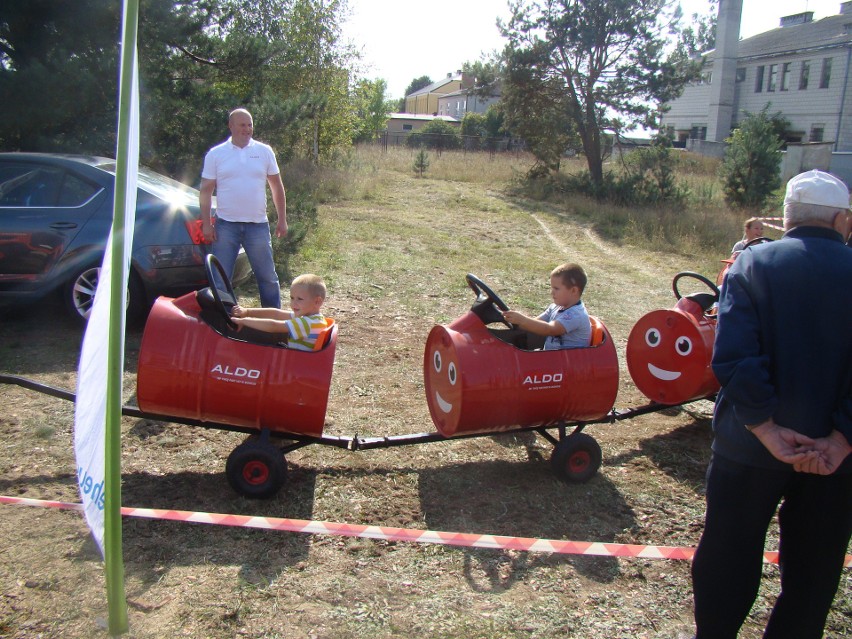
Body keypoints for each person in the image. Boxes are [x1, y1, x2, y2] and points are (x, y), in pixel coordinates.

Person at [691, 169, 852, 639]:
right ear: (842, 219)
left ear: (787, 218)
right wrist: (841, 438)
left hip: (749, 449)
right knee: (814, 573)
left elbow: (734, 355)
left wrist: (766, 428)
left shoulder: (753, 264)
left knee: (728, 554)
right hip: (834, 462)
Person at [200, 108, 288, 308]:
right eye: (242, 125)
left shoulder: (264, 151)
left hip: (257, 226)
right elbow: (205, 191)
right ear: (231, 126)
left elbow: (276, 186)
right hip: (226, 226)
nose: (247, 129)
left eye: (250, 125)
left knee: (268, 278)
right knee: (220, 279)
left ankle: (273, 322)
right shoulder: (216, 154)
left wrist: (282, 219)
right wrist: (207, 223)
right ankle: (223, 321)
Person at [501, 262, 591, 350]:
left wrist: (523, 320)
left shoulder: (575, 315)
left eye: (556, 288)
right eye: (551, 288)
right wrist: (511, 318)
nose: (552, 292)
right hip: (551, 357)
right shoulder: (555, 307)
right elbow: (535, 324)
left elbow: (550, 329)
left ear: (574, 291)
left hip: (569, 362)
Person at [230, 274, 327, 351]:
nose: (293, 303)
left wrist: (243, 321)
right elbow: (275, 313)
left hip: (296, 365)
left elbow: (273, 326)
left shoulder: (308, 323)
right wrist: (247, 312)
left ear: (317, 301)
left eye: (299, 299)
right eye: (292, 298)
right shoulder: (311, 318)